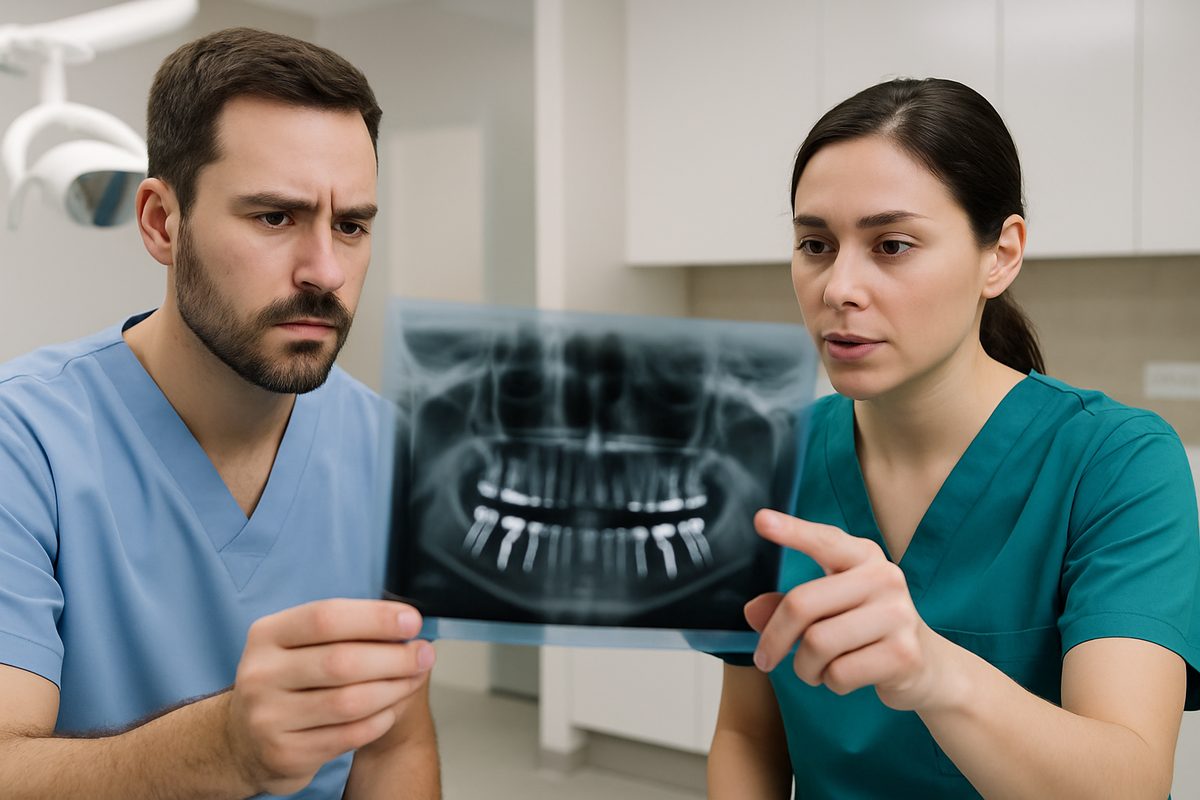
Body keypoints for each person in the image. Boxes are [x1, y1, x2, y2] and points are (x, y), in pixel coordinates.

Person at [707, 78, 1200, 798]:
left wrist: (930, 671)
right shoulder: (766, 459)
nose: (838, 286)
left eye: (892, 245)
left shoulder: (1118, 463)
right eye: (815, 243)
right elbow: (747, 736)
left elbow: (1129, 781)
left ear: (1000, 254)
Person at [0, 28, 440, 798]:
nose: (325, 271)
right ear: (162, 223)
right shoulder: (24, 443)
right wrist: (227, 748)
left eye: (351, 225)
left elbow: (393, 745)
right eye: (275, 217)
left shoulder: (391, 451)